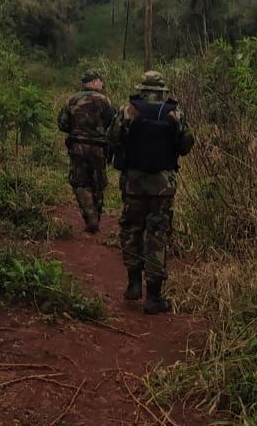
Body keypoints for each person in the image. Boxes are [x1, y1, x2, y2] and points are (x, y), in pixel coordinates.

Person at [107, 71, 193, 314]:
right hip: (163, 186)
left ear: (142, 89)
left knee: (131, 229)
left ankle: (133, 282)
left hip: (133, 183)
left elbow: (112, 138)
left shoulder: (127, 109)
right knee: (157, 236)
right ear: (163, 90)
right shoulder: (174, 113)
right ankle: (153, 296)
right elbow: (186, 145)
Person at [57, 69, 115, 234]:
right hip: (98, 148)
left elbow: (62, 123)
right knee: (98, 181)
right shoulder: (105, 101)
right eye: (100, 81)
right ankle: (96, 215)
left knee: (80, 181)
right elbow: (112, 123)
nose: (102, 84)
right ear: (94, 82)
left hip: (77, 147)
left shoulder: (72, 100)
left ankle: (90, 216)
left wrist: (76, 130)